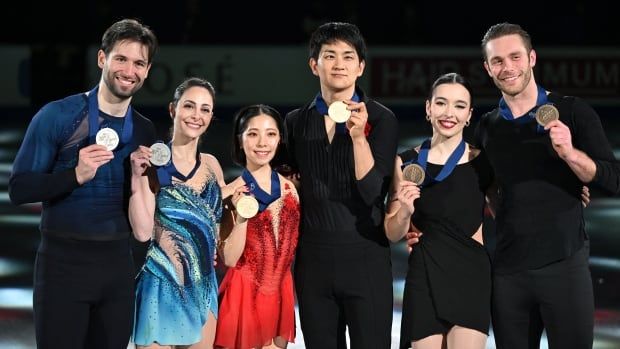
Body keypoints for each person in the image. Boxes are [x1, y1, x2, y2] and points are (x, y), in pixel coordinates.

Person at [7, 18, 158, 349]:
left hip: (118, 269)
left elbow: (144, 217)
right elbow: (19, 189)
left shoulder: (145, 132)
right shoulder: (58, 116)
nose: (129, 70)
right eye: (121, 58)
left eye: (139, 63)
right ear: (102, 59)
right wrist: (74, 176)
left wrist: (138, 181)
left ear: (147, 72)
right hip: (62, 267)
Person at [476, 23, 620, 348]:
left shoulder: (572, 111)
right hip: (509, 274)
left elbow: (614, 178)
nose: (507, 67)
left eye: (515, 57)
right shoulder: (486, 128)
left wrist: (571, 156)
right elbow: (483, 188)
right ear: (487, 68)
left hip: (564, 266)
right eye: (497, 61)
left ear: (532, 58)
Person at [284, 22, 398, 348]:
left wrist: (359, 137)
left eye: (348, 57)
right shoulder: (295, 122)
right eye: (329, 55)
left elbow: (373, 192)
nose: (339, 64)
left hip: (366, 258)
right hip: (313, 263)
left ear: (361, 67)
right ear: (313, 64)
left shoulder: (382, 118)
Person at [385, 73, 493, 349]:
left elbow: (512, 208)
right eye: (441, 103)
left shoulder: (483, 163)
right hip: (425, 274)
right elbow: (392, 232)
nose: (449, 113)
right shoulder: (405, 162)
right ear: (428, 108)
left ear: (469, 115)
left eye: (459, 106)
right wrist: (405, 211)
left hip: (471, 275)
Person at [129, 77, 225, 348]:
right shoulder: (152, 162)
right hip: (160, 287)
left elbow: (217, 225)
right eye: (189, 106)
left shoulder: (212, 166)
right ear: (173, 109)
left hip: (202, 289)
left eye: (205, 109)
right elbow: (142, 231)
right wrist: (137, 179)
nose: (197, 115)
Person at [214, 104, 299, 349]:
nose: (262, 142)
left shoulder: (290, 188)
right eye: (253, 134)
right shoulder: (231, 193)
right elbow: (229, 258)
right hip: (243, 295)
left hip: (280, 292)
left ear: (279, 139)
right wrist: (240, 219)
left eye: (270, 134)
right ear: (240, 141)